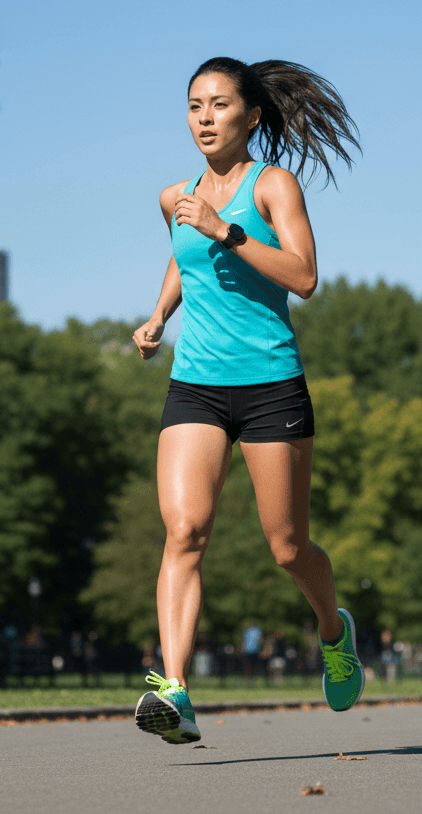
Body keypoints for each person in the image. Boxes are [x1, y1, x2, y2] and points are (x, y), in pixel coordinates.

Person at [131, 56, 363, 745]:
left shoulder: (273, 186)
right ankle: (174, 689)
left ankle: (334, 630)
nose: (205, 117)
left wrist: (225, 229)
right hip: (196, 384)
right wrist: (158, 316)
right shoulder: (175, 196)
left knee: (288, 548)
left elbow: (306, 275)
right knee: (184, 531)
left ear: (252, 116)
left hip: (270, 386)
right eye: (195, 105)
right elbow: (182, 254)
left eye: (220, 105)